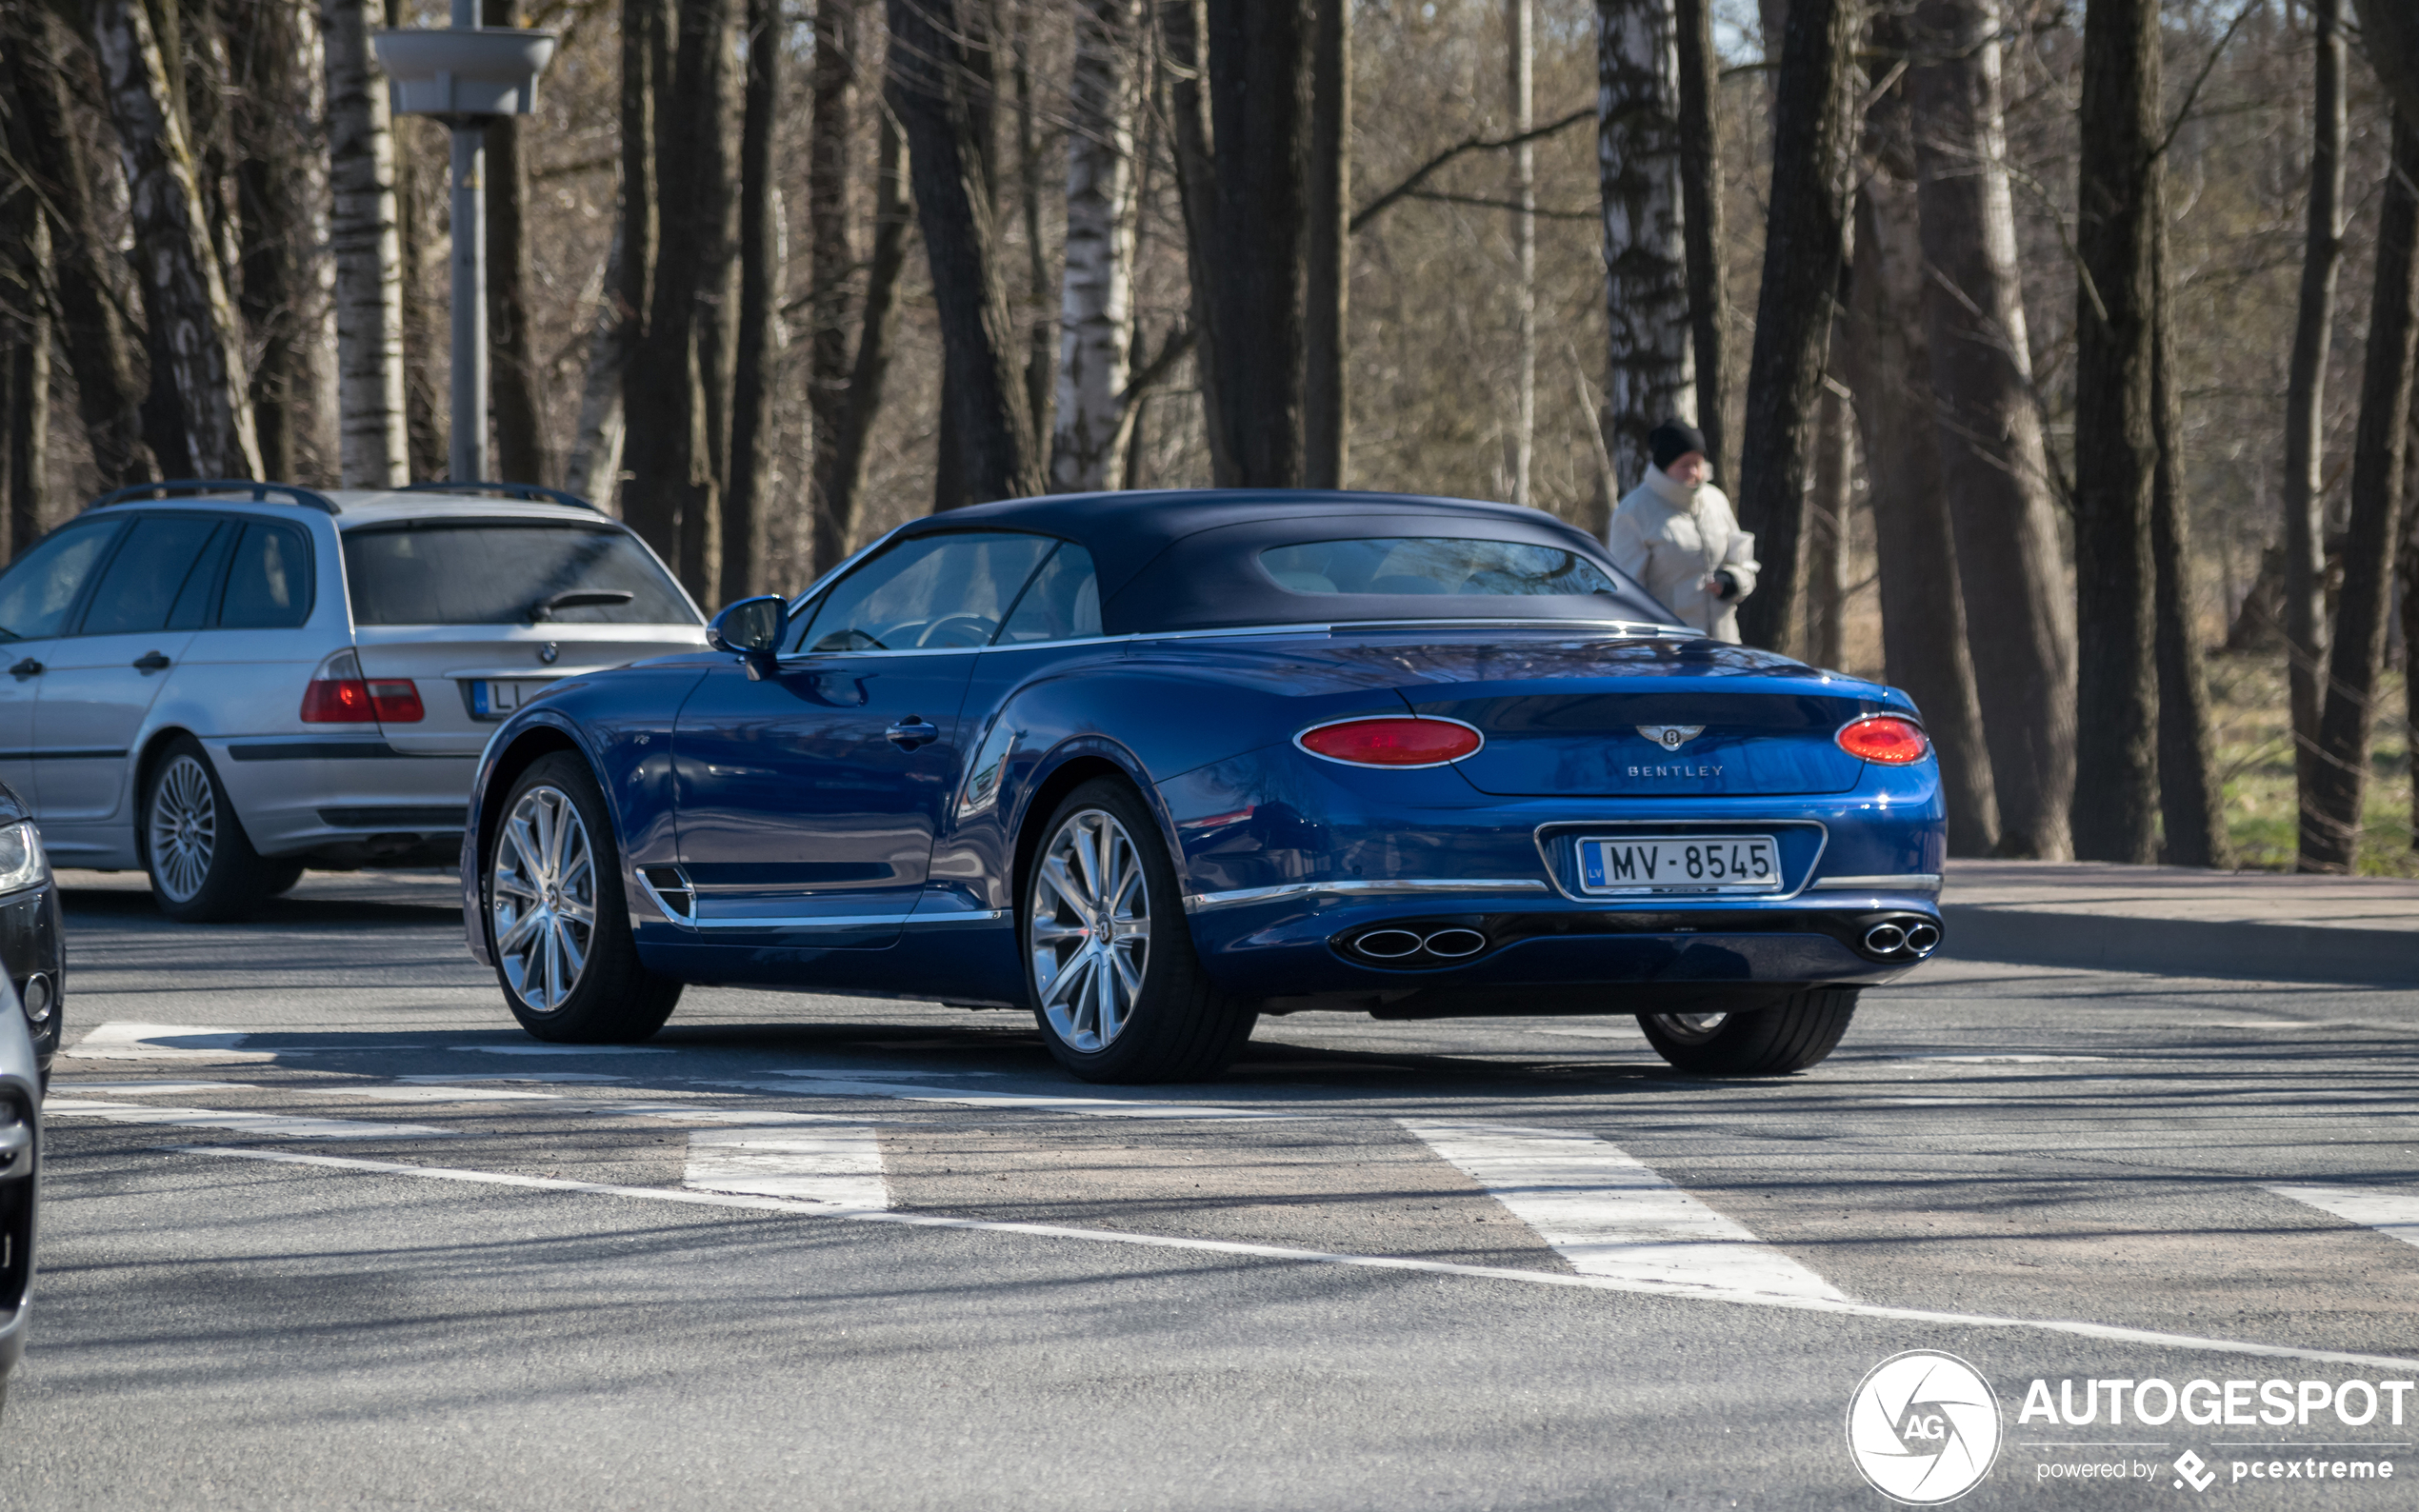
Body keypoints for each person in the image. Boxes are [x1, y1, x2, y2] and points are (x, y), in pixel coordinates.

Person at [1605, 418, 1759, 643]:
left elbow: (1744, 563)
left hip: (1724, 647)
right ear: (1664, 466)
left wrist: (1732, 581)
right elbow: (1626, 594)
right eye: (1685, 464)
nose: (1694, 472)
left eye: (1699, 463)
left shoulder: (1716, 500)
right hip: (1669, 652)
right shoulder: (1633, 512)